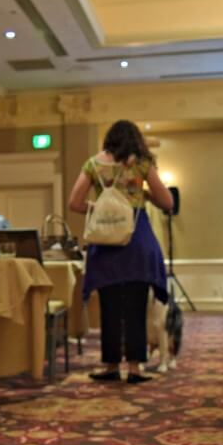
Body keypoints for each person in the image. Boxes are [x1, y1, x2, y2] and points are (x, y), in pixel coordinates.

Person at [68, 119, 174, 384]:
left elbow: (74, 203)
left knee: (110, 305)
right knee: (137, 306)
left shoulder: (93, 164)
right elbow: (168, 202)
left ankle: (111, 365)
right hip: (137, 240)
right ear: (135, 140)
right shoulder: (141, 164)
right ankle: (136, 368)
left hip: (105, 243)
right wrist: (145, 195)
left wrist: (99, 207)